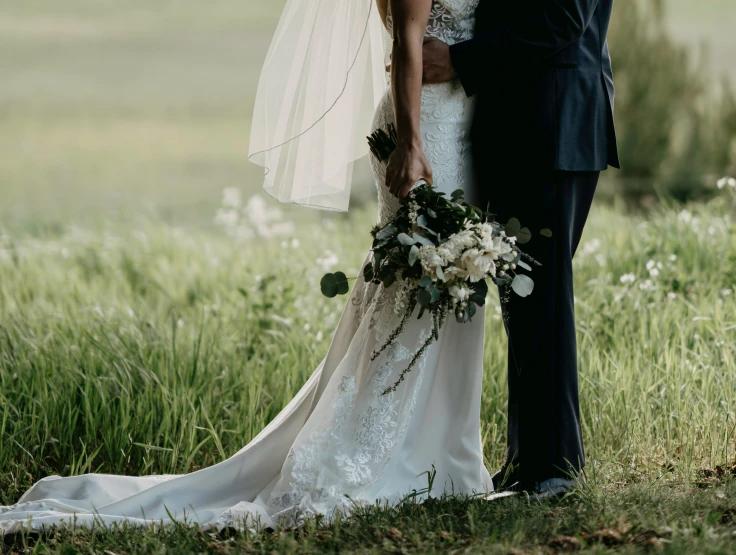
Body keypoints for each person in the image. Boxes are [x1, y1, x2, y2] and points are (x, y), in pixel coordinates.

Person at [1, 0, 498, 534]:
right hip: (423, 127)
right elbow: (406, 39)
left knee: (448, 281)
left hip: (456, 120)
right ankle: (375, 457)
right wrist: (410, 144)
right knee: (422, 277)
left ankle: (441, 453)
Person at [421, 0, 620, 494]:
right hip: (523, 126)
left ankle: (555, 468)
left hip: (553, 123)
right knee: (525, 300)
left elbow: (561, 19)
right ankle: (529, 459)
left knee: (543, 295)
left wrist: (460, 60)